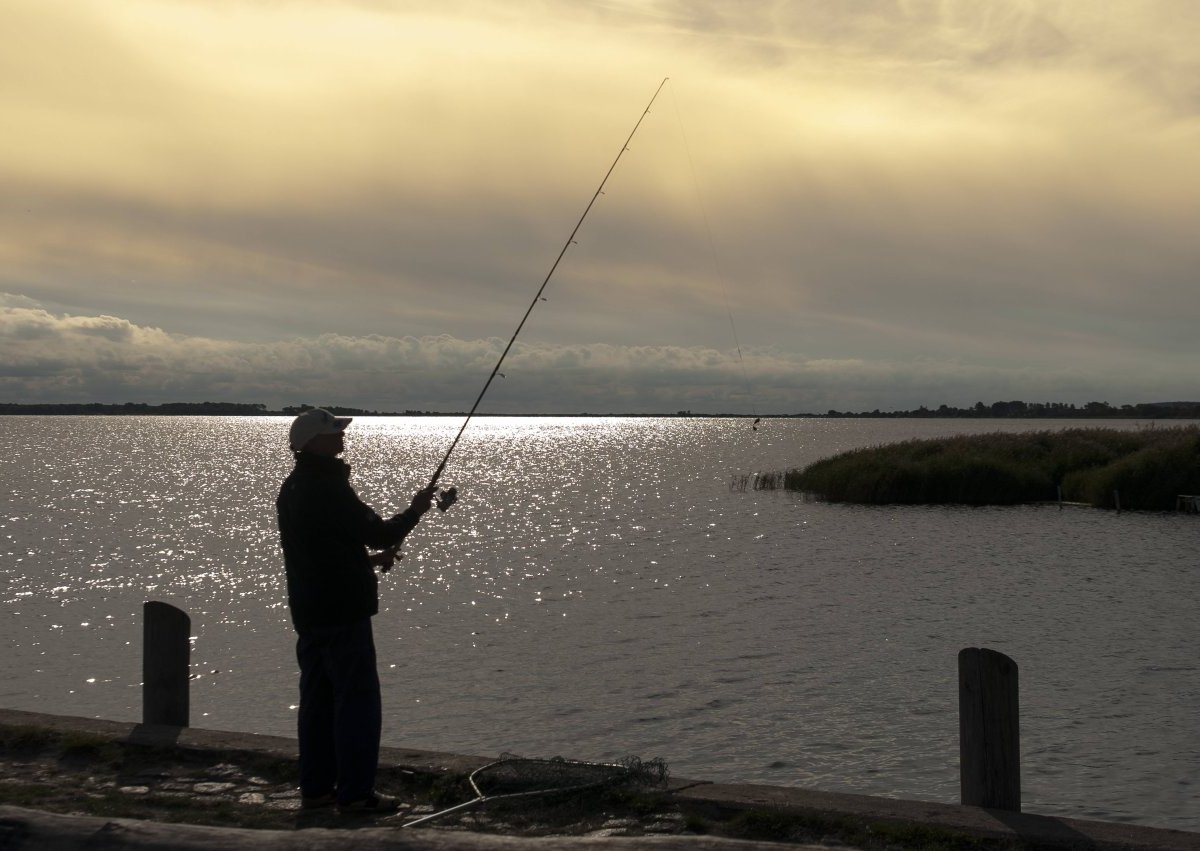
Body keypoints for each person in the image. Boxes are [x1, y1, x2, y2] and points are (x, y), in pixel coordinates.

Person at [275, 408, 435, 814]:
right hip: (343, 613)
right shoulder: (328, 487)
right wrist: (415, 510)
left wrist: (367, 561)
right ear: (312, 442)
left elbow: (320, 550)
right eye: (333, 433)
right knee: (358, 702)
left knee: (317, 703)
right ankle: (356, 795)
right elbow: (380, 530)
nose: (342, 437)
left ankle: (316, 790)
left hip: (310, 611)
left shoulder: (291, 488)